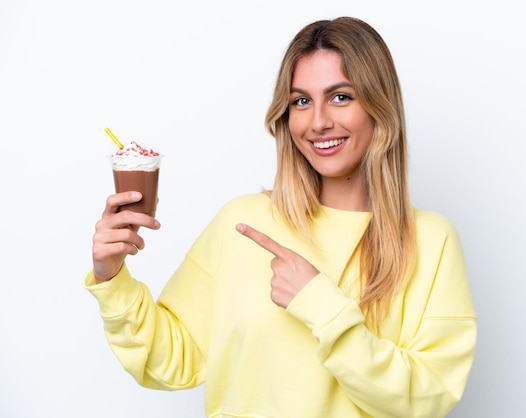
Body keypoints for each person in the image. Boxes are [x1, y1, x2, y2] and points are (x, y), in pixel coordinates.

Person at [85, 16, 477, 418]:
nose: (319, 121)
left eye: (341, 96)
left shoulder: (431, 241)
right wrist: (112, 278)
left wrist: (320, 305)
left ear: (380, 106)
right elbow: (170, 359)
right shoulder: (242, 222)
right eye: (301, 101)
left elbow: (426, 398)